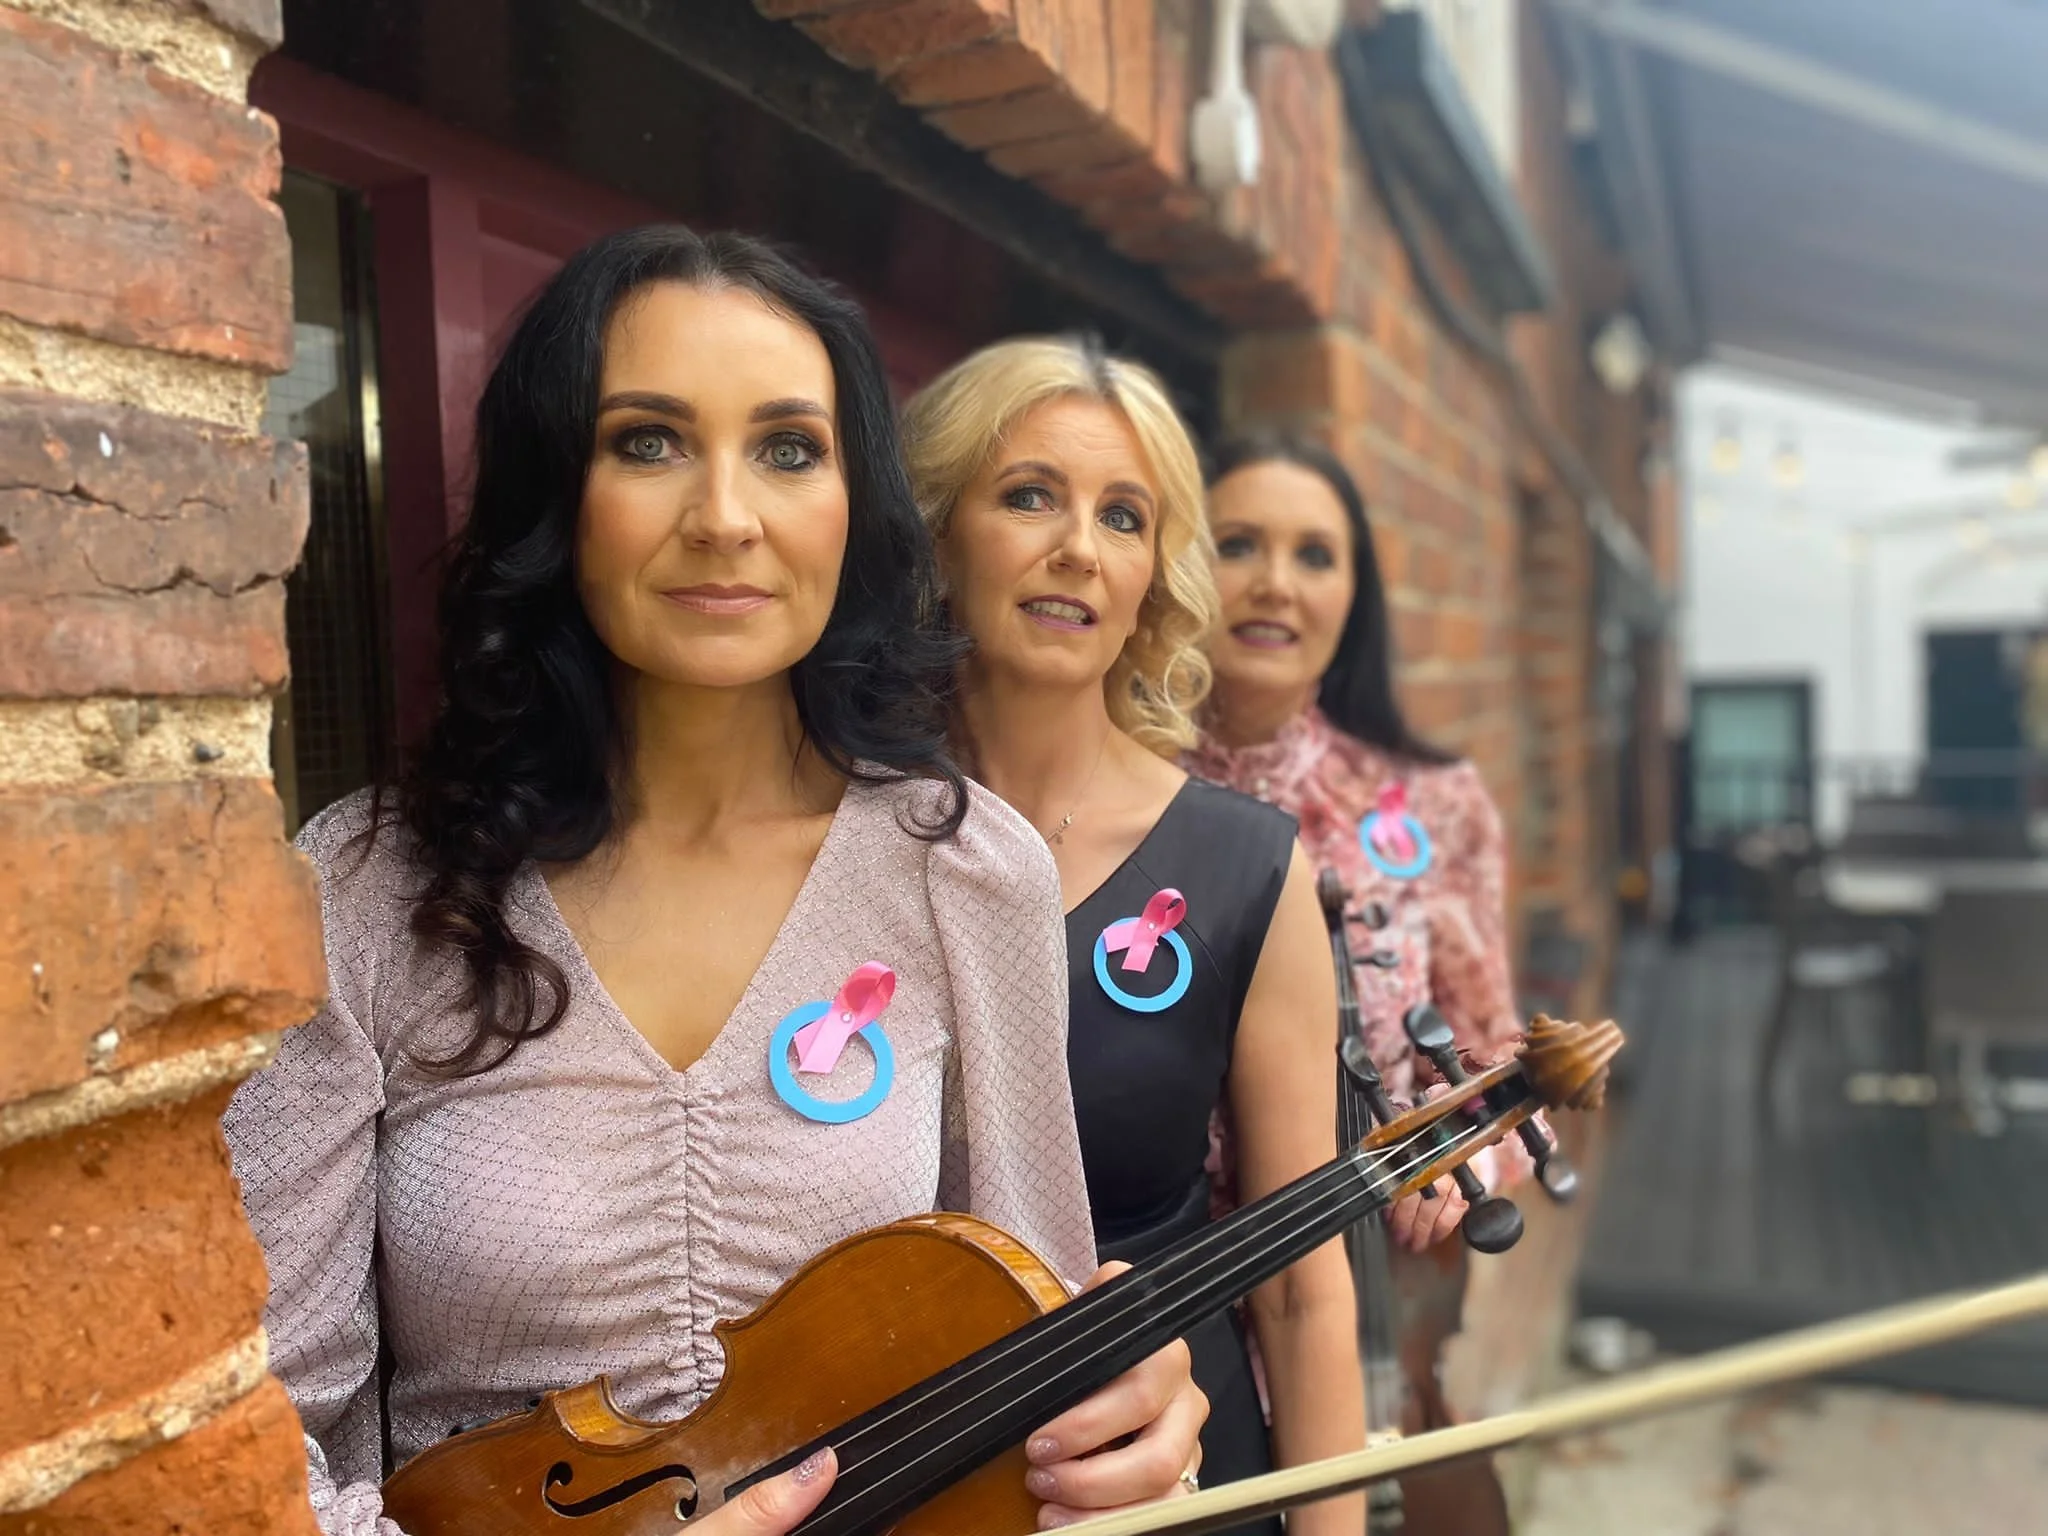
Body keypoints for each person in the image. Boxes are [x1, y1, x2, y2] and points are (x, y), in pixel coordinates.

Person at [222, 229, 1205, 1535]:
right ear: (556, 491)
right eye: (648, 441)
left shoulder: (965, 872)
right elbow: (242, 1445)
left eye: (790, 449)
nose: (726, 517)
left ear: (856, 507)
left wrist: (1125, 1446)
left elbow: (1034, 1354)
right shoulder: (366, 887)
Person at [900, 337, 1366, 1536]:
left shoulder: (1244, 866)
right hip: (901, 1479)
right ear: (936, 533)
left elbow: (1305, 1294)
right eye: (1027, 497)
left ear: (1154, 571)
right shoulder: (821, 834)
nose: (1075, 550)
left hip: (1177, 1481)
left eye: (1122, 516)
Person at [1184, 430, 1534, 1528]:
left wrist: (1457, 1147)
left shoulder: (1428, 805)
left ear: (1354, 595)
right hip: (1170, 1305)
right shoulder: (1109, 796)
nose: (1275, 583)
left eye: (1314, 555)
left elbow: (1497, 1061)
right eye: (1235, 543)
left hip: (1379, 1293)